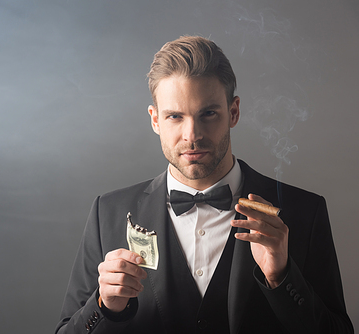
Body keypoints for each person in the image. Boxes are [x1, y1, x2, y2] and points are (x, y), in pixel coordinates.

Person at [55, 36, 354, 333]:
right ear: (155, 120)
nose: (192, 134)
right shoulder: (107, 213)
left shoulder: (304, 212)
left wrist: (282, 278)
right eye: (175, 116)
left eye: (208, 114)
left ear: (233, 112)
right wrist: (103, 304)